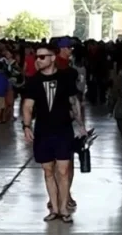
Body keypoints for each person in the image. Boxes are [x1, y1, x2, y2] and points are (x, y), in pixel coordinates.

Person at [22, 43, 82, 223]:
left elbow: (74, 102)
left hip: (63, 130)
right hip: (43, 131)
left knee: (63, 171)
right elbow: (27, 106)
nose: (38, 60)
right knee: (48, 171)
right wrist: (26, 126)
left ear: (52, 58)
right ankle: (54, 209)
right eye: (37, 57)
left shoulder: (66, 78)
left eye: (42, 57)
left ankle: (63, 209)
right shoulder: (33, 81)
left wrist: (80, 124)